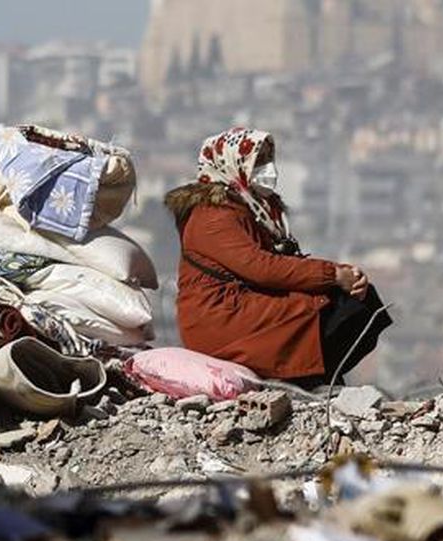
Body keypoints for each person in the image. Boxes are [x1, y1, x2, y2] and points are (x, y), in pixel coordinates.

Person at [167, 128, 391, 388]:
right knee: (329, 308)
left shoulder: (252, 208)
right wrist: (332, 276)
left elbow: (279, 262)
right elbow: (261, 267)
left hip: (242, 303)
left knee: (360, 299)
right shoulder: (213, 215)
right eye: (257, 161)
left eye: (267, 159)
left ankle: (316, 375)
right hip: (220, 315)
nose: (267, 169)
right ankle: (307, 377)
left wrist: (341, 274)